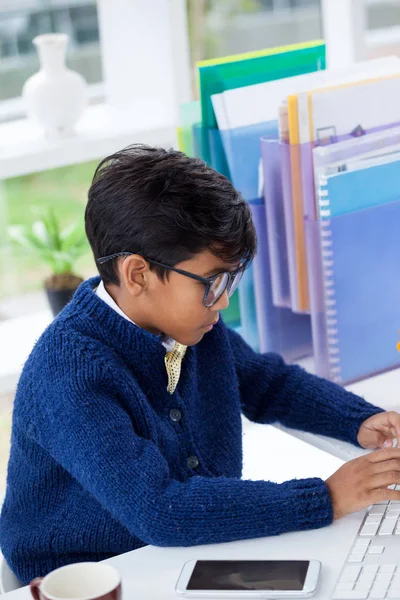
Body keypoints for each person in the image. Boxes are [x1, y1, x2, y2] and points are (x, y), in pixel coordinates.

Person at [1, 144, 400, 584]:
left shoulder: (190, 326)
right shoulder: (70, 372)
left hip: (185, 543)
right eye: (213, 283)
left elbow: (269, 384)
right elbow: (161, 509)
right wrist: (324, 498)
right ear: (138, 275)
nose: (225, 300)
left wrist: (360, 420)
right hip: (93, 572)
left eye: (232, 279)